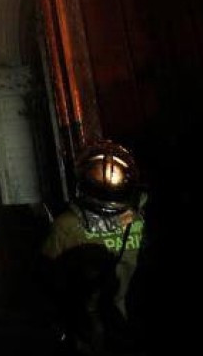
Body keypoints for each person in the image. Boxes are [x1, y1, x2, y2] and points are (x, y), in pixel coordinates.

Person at [41, 141, 146, 356]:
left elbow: (47, 281)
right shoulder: (142, 222)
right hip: (137, 329)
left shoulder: (65, 226)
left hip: (91, 334)